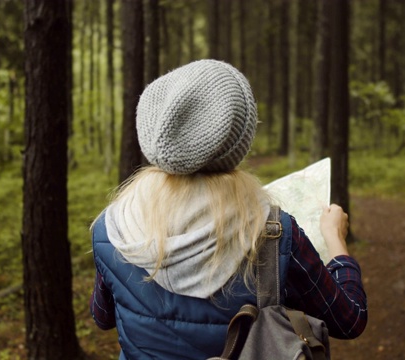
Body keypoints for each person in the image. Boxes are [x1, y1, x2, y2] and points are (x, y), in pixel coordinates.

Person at [90, 59, 367, 359]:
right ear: (238, 141)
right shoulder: (272, 232)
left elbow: (103, 317)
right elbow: (348, 320)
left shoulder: (114, 226)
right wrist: (336, 241)